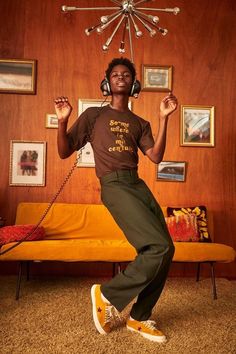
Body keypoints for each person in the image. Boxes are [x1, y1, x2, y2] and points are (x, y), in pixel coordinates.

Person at [54, 57, 178, 343]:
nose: (120, 77)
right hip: (115, 186)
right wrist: (62, 122)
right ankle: (108, 294)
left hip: (137, 184)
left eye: (126, 74)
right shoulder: (93, 116)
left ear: (134, 84)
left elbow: (156, 157)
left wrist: (163, 118)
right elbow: (64, 151)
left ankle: (140, 316)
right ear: (106, 82)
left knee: (166, 249)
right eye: (115, 74)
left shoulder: (139, 122)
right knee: (156, 246)